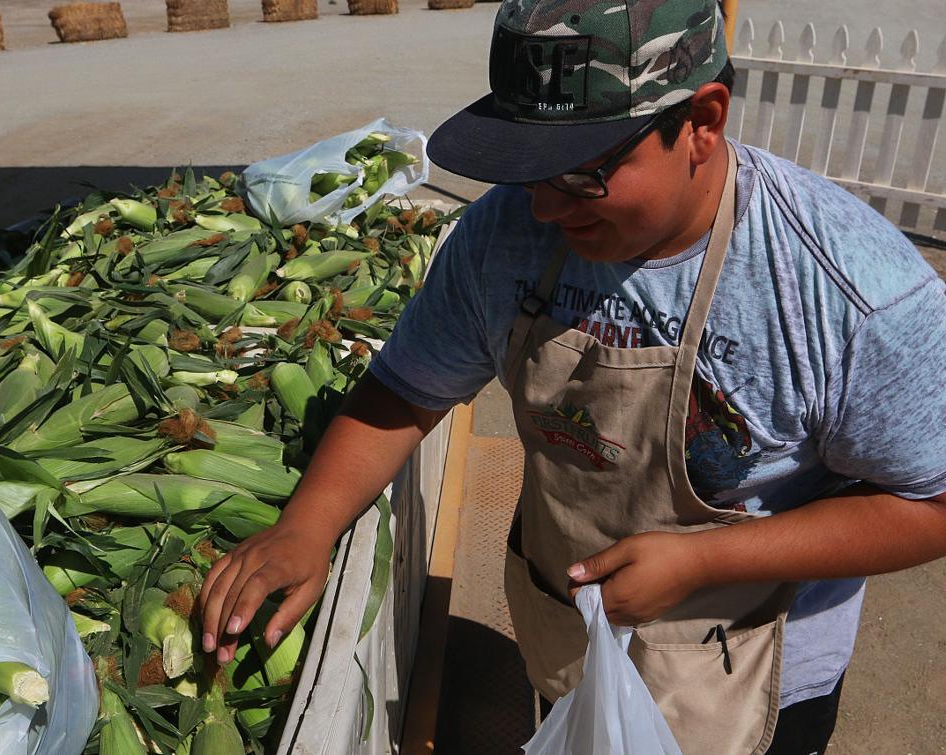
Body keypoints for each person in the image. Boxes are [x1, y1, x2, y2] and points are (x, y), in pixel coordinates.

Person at [199, 0, 946, 751]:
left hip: (749, 677)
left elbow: (933, 502)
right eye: (527, 169)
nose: (548, 207)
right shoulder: (504, 236)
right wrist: (307, 525)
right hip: (567, 638)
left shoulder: (849, 291)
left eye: (583, 173)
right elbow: (406, 389)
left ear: (704, 122)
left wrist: (704, 559)